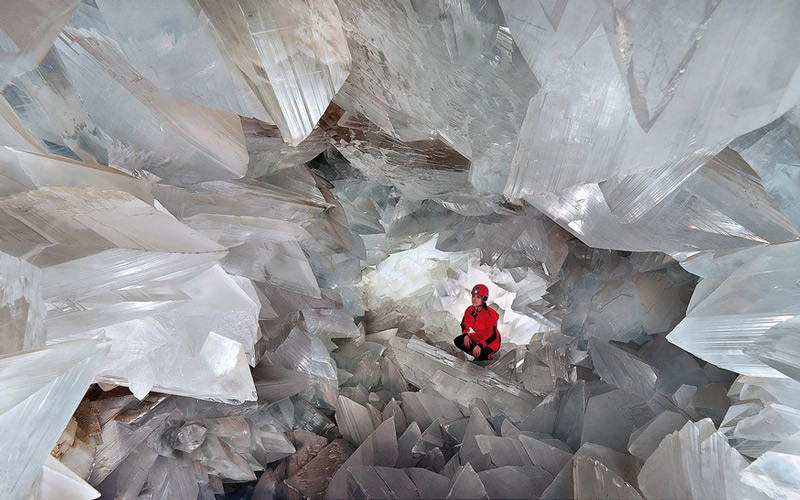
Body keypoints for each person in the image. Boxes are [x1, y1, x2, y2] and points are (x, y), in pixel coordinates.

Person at [454, 284, 501, 361]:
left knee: (483, 353)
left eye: (478, 297)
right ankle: (476, 354)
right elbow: (464, 325)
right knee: (459, 340)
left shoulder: (490, 314)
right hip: (479, 337)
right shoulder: (469, 310)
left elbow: (492, 336)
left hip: (492, 341)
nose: (474, 299)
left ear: (484, 299)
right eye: (473, 296)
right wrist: (466, 335)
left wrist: (480, 346)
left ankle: (483, 356)